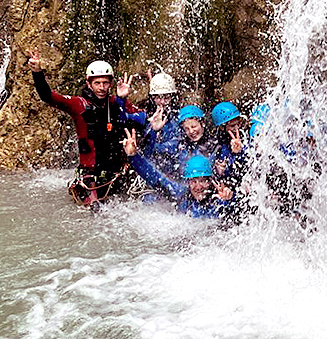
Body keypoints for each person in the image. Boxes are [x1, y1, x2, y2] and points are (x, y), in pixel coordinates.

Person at [27, 48, 142, 207]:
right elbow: (48, 96)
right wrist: (37, 73)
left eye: (105, 83)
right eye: (97, 83)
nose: (101, 87)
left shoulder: (117, 102)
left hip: (117, 173)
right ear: (89, 83)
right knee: (95, 210)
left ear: (111, 84)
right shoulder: (78, 104)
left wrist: (124, 99)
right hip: (90, 176)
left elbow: (144, 119)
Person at [122, 128, 234, 219]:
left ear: (210, 182)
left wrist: (228, 200)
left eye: (203, 181)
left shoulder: (218, 199)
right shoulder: (181, 194)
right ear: (188, 182)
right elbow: (153, 176)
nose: (198, 187)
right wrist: (133, 156)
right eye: (194, 181)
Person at [140, 72, 182, 178]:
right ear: (152, 98)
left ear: (173, 97)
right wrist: (153, 130)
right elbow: (144, 151)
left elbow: (178, 145)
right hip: (150, 170)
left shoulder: (179, 117)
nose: (162, 102)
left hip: (173, 170)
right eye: (158, 97)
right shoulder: (144, 116)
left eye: (166, 97)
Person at [211, 101, 248, 187]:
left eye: (238, 124)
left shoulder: (245, 137)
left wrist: (239, 152)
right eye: (232, 126)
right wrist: (219, 171)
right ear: (222, 127)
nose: (237, 128)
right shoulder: (218, 146)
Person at [176, 105, 218, 172]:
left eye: (193, 126)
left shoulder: (215, 145)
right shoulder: (182, 147)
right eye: (187, 129)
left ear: (202, 123)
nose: (191, 131)